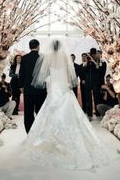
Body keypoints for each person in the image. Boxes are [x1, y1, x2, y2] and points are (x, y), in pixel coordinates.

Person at [23, 40, 108, 170]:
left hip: (53, 90)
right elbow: (70, 75)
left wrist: (50, 83)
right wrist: (66, 84)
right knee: (72, 116)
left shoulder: (47, 57)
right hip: (64, 89)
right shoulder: (65, 57)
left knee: (49, 114)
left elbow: (44, 75)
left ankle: (48, 140)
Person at [19, 39, 46, 133]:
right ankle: (39, 132)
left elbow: (21, 73)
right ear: (38, 46)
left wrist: (21, 86)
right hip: (40, 90)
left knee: (28, 112)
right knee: (40, 111)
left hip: (28, 89)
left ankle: (29, 132)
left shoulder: (24, 58)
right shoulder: (42, 58)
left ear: (29, 47)